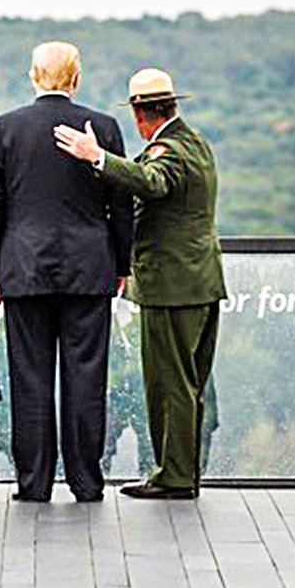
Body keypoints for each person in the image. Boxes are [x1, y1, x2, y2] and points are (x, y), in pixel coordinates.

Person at [54, 67, 226, 499]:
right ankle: (183, 472)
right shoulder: (195, 143)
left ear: (138, 113)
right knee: (190, 383)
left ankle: (175, 476)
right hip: (201, 281)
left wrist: (97, 158)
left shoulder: (167, 150)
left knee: (170, 384)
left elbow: (152, 183)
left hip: (172, 287)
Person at [0, 41, 133, 503]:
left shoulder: (4, 129)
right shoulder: (103, 126)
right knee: (87, 378)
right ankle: (87, 481)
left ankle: (34, 483)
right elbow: (121, 202)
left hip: (23, 268)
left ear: (32, 76)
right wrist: (121, 262)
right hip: (90, 268)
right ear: (76, 78)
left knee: (30, 379)